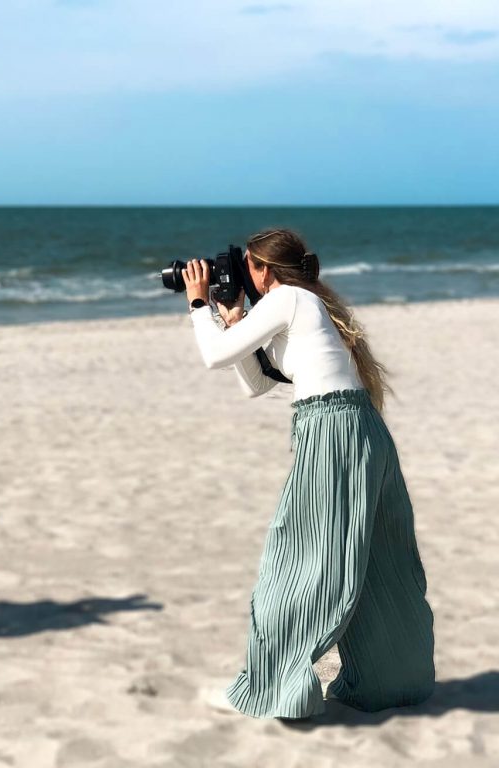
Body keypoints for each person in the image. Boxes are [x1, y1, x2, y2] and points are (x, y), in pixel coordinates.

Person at [181, 228, 434, 719]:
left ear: (265, 271)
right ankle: (389, 681)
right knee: (378, 558)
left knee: (296, 557)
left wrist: (197, 304)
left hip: (332, 432)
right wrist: (232, 319)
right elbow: (253, 384)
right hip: (357, 430)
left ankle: (272, 689)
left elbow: (213, 354)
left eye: (246, 266)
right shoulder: (300, 306)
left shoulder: (289, 299)